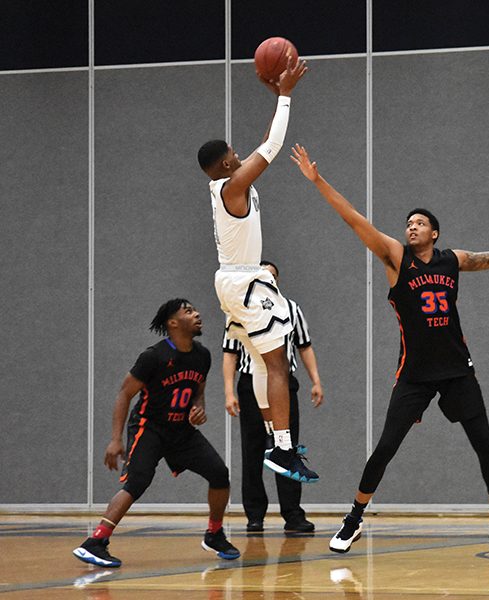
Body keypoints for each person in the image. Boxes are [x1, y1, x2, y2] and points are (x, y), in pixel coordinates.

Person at [291, 143, 489, 556]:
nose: (411, 227)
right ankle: (353, 519)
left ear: (435, 233)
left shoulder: (453, 260)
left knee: (486, 445)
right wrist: (318, 180)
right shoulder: (395, 258)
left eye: (420, 223)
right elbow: (354, 219)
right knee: (386, 447)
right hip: (413, 373)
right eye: (408, 222)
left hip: (457, 370)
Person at [197, 55, 317, 483]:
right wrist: (285, 95)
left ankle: (273, 440)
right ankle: (283, 449)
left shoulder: (227, 181)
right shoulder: (234, 186)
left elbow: (265, 141)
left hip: (238, 279)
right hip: (246, 280)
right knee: (277, 364)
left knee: (266, 367)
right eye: (233, 152)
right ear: (227, 163)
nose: (238, 152)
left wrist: (276, 99)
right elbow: (272, 148)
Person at [73, 300, 239, 568]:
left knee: (220, 474)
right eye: (188, 311)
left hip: (181, 431)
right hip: (148, 427)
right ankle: (96, 542)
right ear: (172, 323)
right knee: (137, 482)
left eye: (196, 309)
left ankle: (215, 534)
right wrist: (116, 439)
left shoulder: (203, 355)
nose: (197, 313)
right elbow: (124, 394)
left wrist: (198, 409)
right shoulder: (153, 357)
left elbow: (198, 394)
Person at [223, 260, 324, 534]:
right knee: (252, 450)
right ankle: (255, 515)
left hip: (283, 385)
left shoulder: (291, 309)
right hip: (250, 384)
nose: (267, 279)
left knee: (286, 448)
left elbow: (304, 345)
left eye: (272, 276)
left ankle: (293, 515)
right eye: (262, 275)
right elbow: (230, 352)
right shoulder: (240, 309)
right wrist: (229, 391)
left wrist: (316, 380)